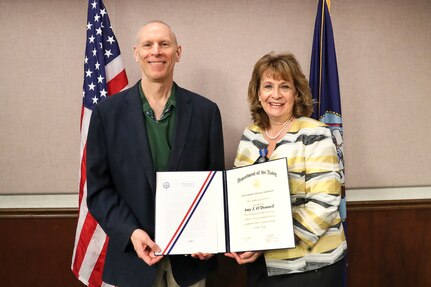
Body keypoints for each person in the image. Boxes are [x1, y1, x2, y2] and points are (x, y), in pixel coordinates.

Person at [86, 21, 225, 287]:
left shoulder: (206, 112)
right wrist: (131, 232)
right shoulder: (107, 114)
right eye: (148, 45)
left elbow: (215, 185)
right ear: (136, 53)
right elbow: (99, 190)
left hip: (190, 261)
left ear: (178, 52)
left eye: (164, 44)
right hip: (132, 259)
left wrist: (208, 236)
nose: (156, 51)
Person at [225, 52, 347, 286]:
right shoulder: (250, 135)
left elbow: (324, 202)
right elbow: (240, 200)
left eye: (285, 86)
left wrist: (270, 242)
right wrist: (240, 240)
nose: (276, 94)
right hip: (262, 263)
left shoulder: (314, 133)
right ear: (258, 93)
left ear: (296, 93)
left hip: (311, 266)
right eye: (268, 86)